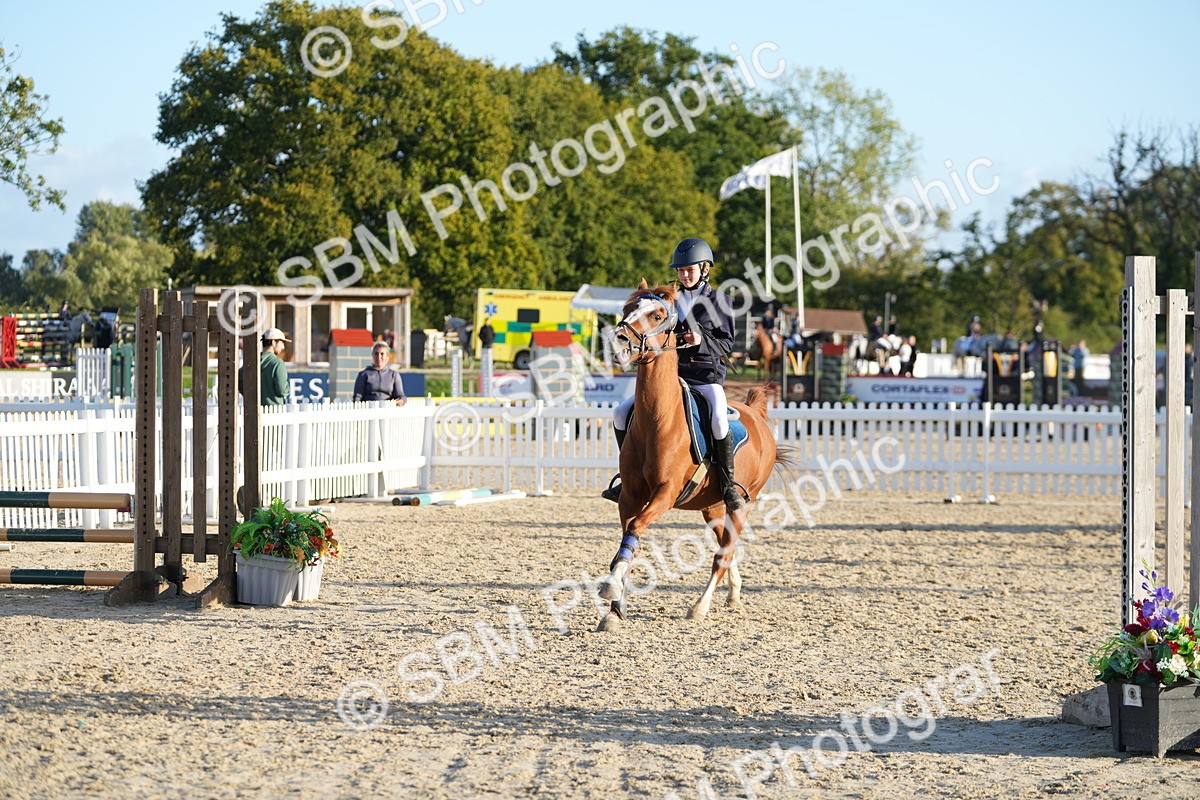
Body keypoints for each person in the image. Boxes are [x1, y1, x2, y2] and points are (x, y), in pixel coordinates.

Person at [603, 237, 744, 514]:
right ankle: (627, 478)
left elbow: (727, 344)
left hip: (705, 377)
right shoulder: (670, 302)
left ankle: (728, 485)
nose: (684, 275)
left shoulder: (720, 301)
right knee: (620, 413)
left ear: (704, 269)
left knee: (718, 420)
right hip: (671, 376)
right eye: (681, 271)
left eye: (690, 270)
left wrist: (700, 340)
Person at [239, 327, 290, 406]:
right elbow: (282, 390)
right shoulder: (277, 363)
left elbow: (239, 379)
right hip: (275, 410)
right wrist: (287, 390)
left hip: (253, 409)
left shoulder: (252, 361)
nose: (283, 347)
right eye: (282, 342)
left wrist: (249, 395)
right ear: (273, 342)